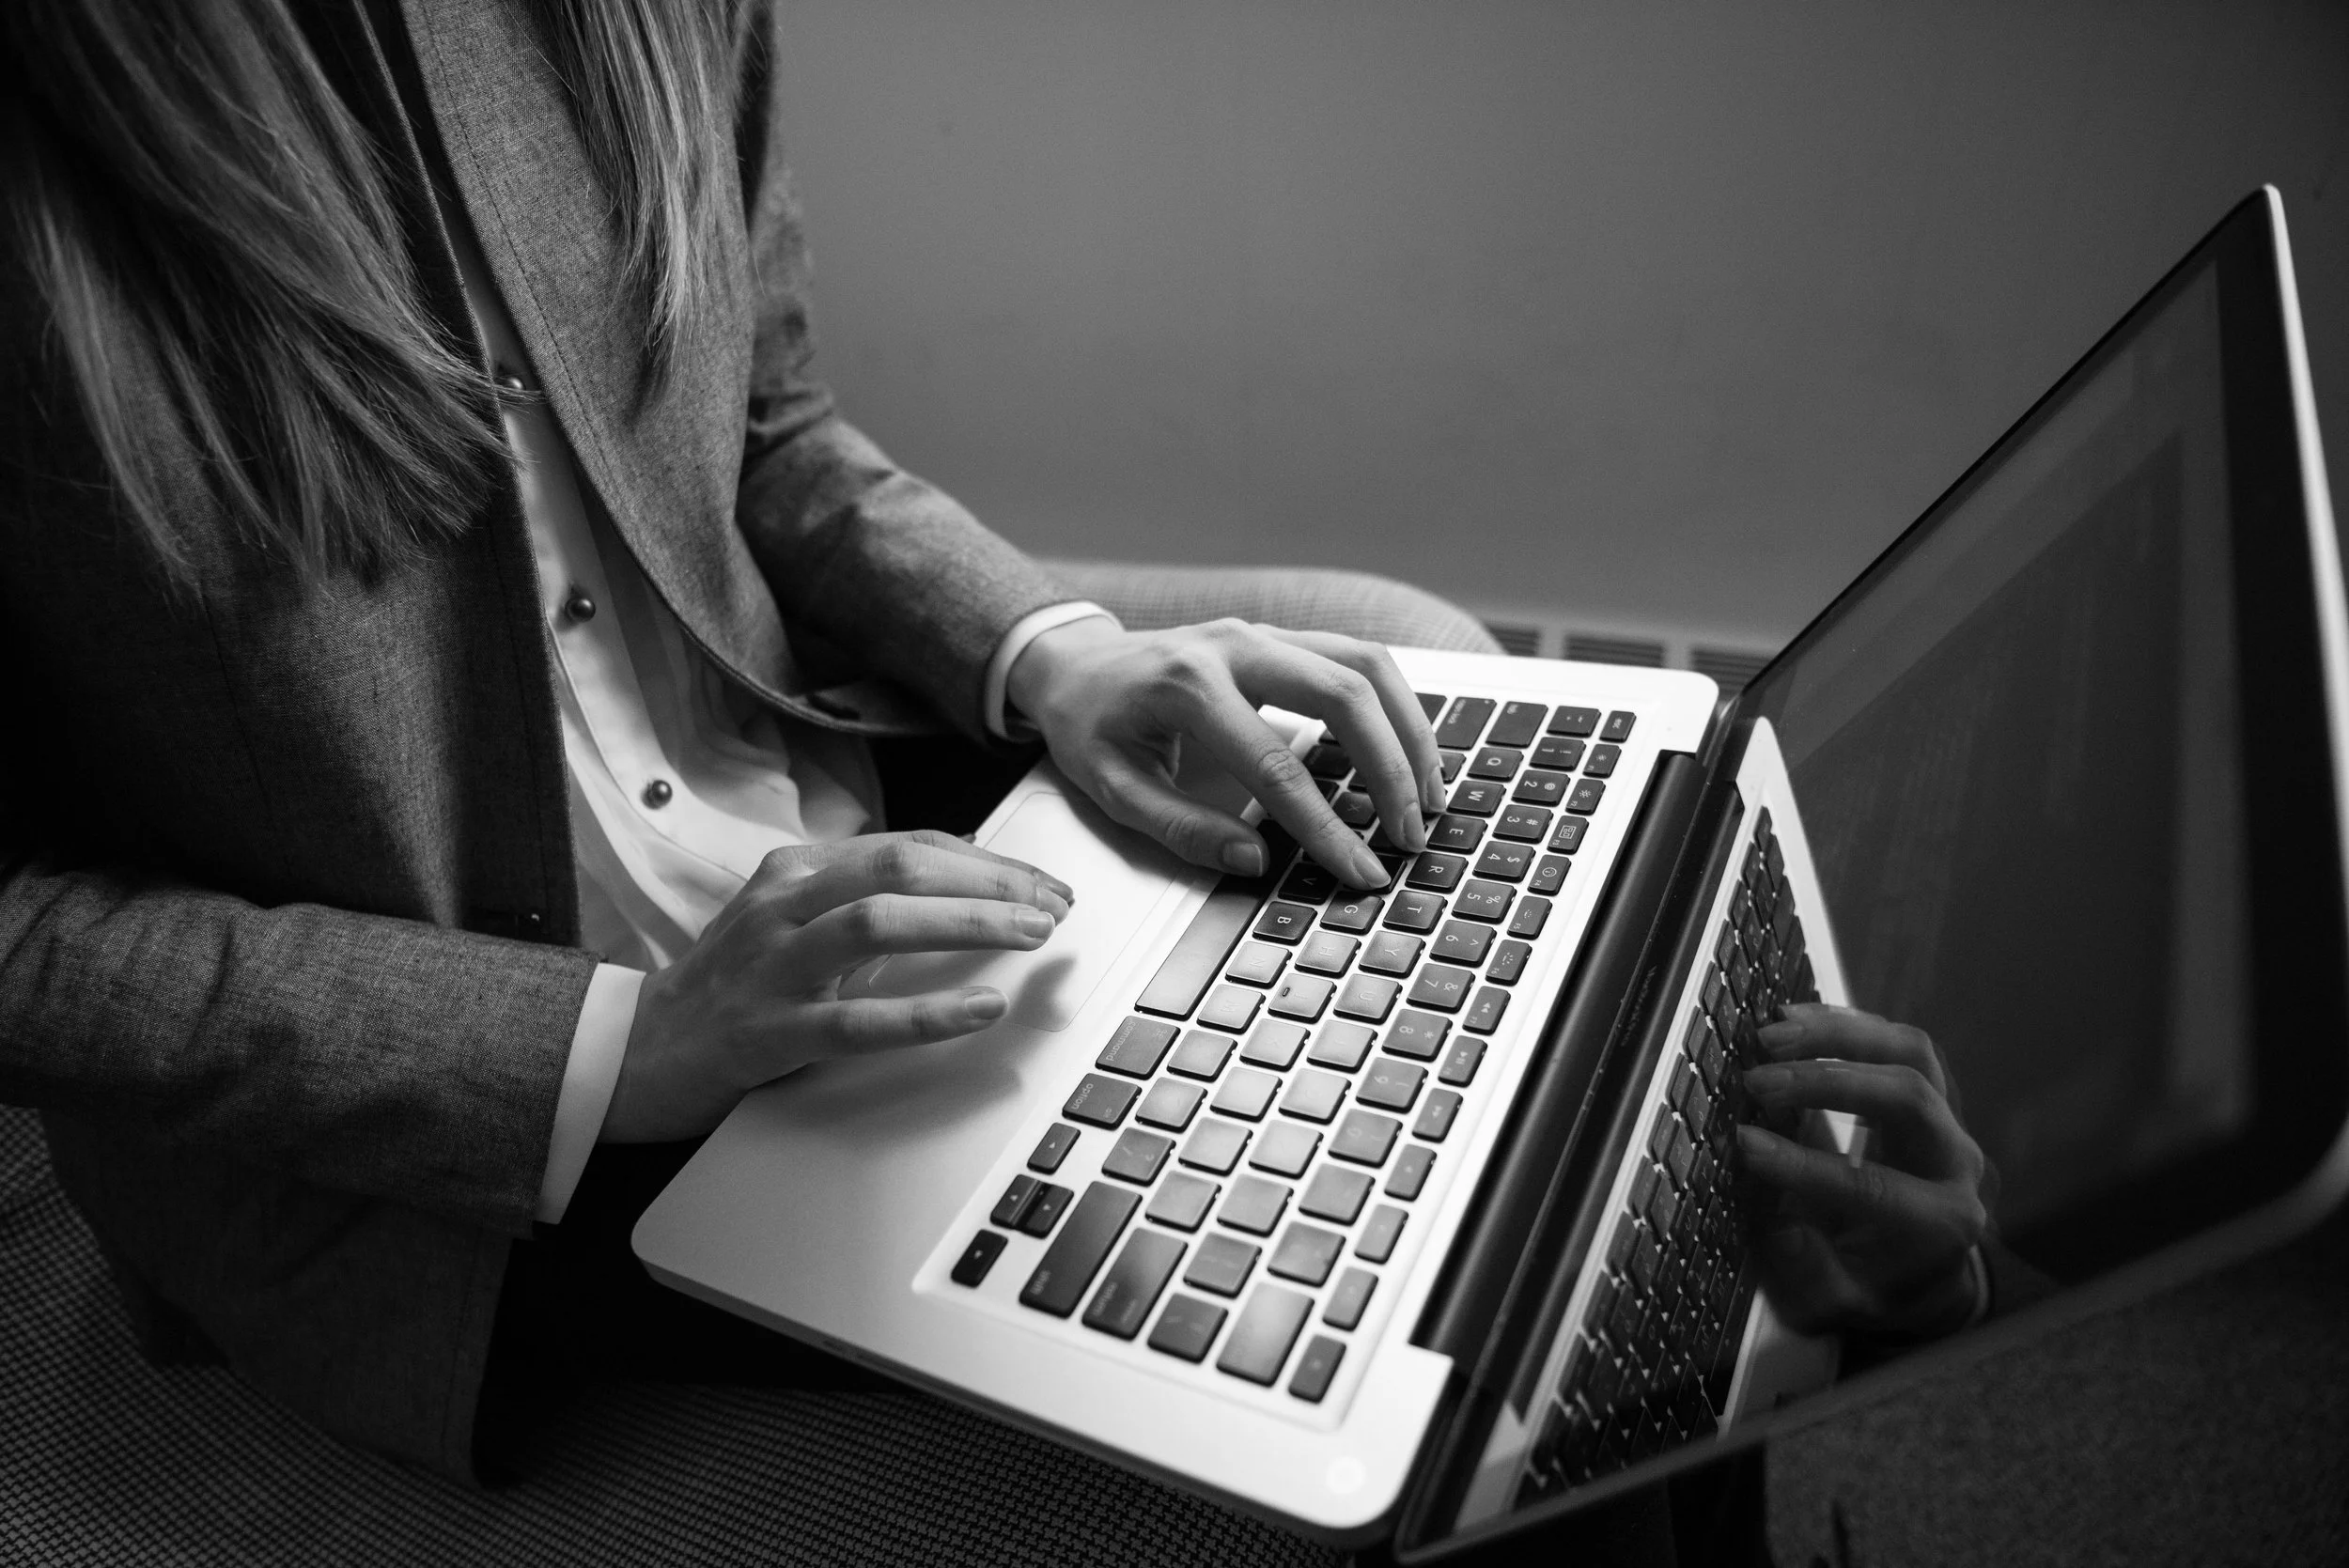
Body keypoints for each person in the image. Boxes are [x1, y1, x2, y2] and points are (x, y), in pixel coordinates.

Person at [0, 2, 1992, 1560]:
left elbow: (767, 433)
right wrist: (613, 1050)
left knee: (1517, 1049)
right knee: (1449, 1421)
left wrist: (1050, 658)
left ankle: (1799, 1347)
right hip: (442, 1142)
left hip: (851, 831)